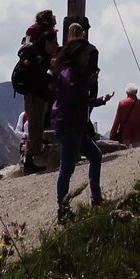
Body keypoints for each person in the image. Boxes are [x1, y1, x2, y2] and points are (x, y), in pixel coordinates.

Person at [51, 22, 111, 221]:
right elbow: (72, 95)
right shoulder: (69, 73)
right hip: (68, 126)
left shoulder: (74, 72)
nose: (87, 59)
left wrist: (99, 100)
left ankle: (96, 197)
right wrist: (89, 84)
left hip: (75, 125)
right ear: (77, 55)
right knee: (66, 169)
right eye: (85, 56)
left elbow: (79, 98)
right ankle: (62, 209)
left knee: (95, 154)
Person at [13, 10, 61, 168]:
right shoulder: (40, 58)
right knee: (35, 127)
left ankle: (31, 159)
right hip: (36, 95)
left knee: (37, 126)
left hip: (33, 94)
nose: (56, 45)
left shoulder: (35, 51)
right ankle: (30, 161)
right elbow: (40, 79)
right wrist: (52, 71)